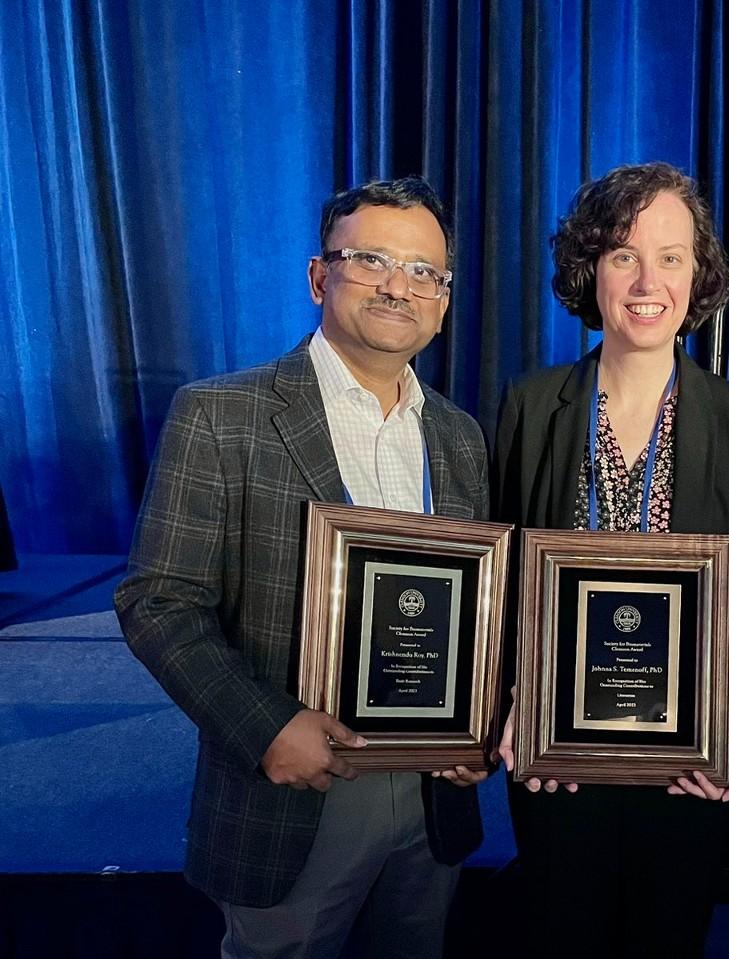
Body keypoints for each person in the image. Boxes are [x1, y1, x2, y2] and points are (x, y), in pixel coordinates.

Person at [115, 178, 490, 959]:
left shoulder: (460, 436)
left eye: (425, 270)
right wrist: (268, 726)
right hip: (294, 788)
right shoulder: (222, 414)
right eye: (372, 259)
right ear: (321, 275)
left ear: (444, 297)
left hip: (432, 796)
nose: (399, 285)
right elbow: (158, 600)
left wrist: (481, 716)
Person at [492, 162, 729, 956]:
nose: (647, 279)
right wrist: (514, 699)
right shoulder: (531, 405)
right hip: (562, 760)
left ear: (700, 274)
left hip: (685, 764)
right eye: (623, 254)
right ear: (591, 269)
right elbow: (506, 580)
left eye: (671, 256)